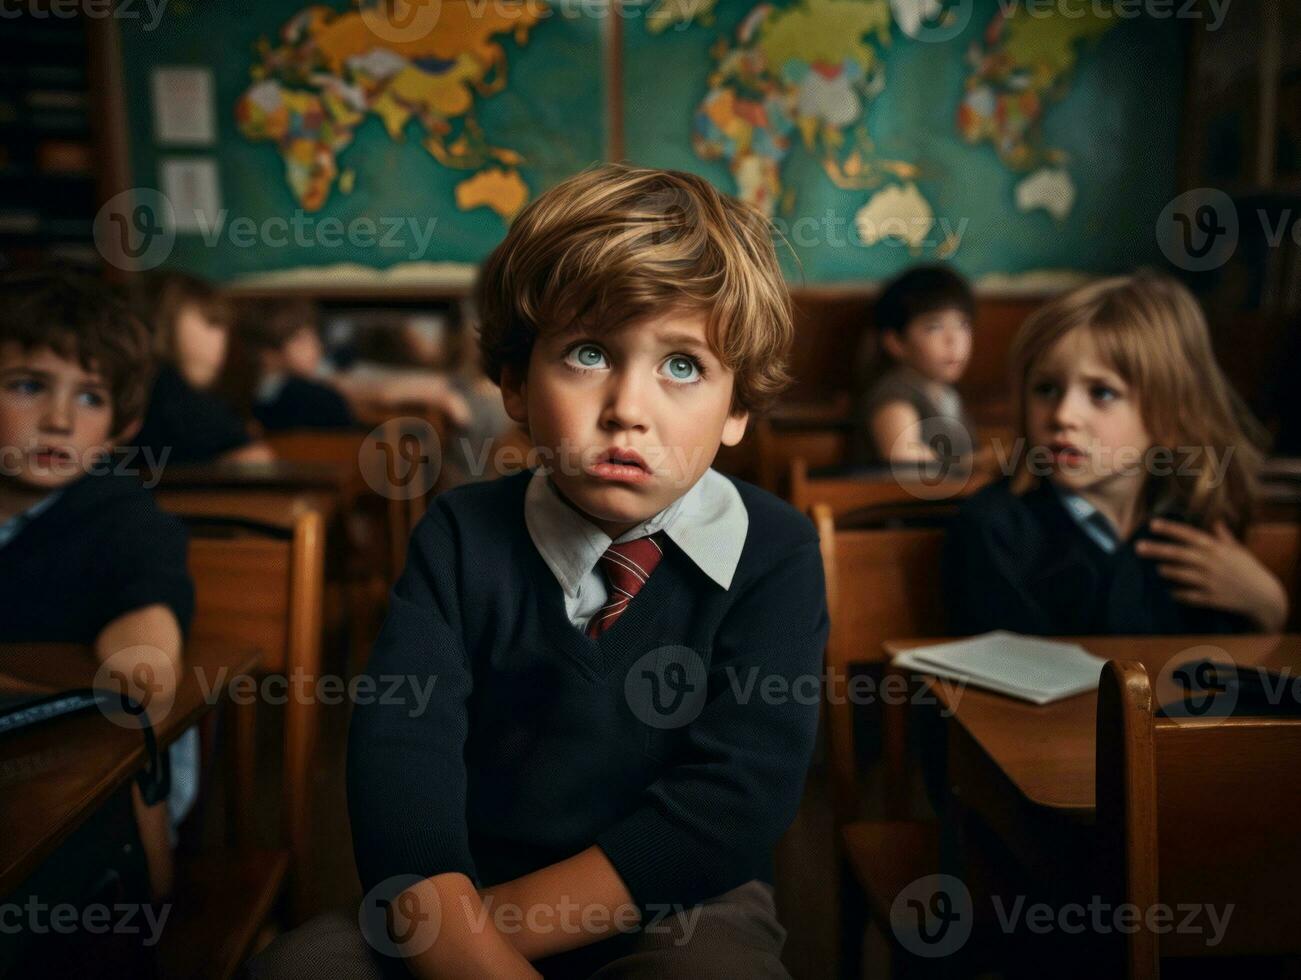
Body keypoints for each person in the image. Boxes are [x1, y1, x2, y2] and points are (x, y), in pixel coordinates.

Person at [249, 164, 829, 979]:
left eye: (683, 366)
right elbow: (399, 767)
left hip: (683, 901)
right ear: (516, 382)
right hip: (460, 888)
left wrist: (485, 947)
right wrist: (459, 938)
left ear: (737, 410)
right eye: (588, 353)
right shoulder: (457, 534)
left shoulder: (777, 553)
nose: (628, 405)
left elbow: (731, 804)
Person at [0, 269, 195, 944]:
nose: (58, 419)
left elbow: (143, 652)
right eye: (28, 385)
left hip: (101, 783)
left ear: (122, 426)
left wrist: (139, 666)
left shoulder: (123, 520)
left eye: (89, 397)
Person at [944, 272, 1287, 636]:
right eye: (1046, 388)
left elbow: (1228, 678)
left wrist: (1268, 606)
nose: (1063, 415)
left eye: (1102, 393)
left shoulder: (1194, 532)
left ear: (1169, 419)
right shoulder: (995, 530)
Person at [129, 271, 272, 465]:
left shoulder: (156, 390)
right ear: (166, 322)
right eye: (212, 322)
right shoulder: (170, 394)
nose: (222, 338)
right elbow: (256, 459)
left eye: (223, 326)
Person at [851, 264, 977, 465]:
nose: (953, 340)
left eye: (962, 325)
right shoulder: (894, 392)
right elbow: (901, 455)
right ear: (895, 342)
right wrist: (974, 463)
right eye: (934, 327)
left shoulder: (947, 394)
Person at [237, 297, 356, 432]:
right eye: (302, 340)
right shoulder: (319, 399)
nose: (317, 347)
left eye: (314, 336)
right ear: (268, 354)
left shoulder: (249, 396)